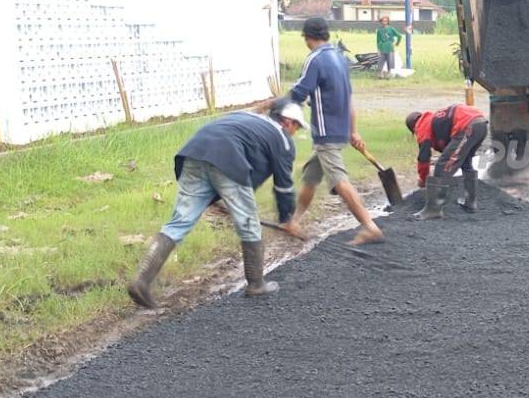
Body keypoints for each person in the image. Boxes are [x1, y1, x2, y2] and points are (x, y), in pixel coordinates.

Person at [127, 97, 304, 308]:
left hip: (192, 153)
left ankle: (141, 280)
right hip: (227, 158)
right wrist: (287, 218)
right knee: (249, 224)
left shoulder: (246, 117)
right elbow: (283, 186)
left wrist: (214, 199)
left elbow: (240, 166)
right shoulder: (282, 138)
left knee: (179, 223)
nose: (295, 132)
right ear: (288, 122)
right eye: (297, 126)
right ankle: (256, 284)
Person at [279, 17, 385, 246]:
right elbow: (349, 99)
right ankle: (293, 221)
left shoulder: (315, 59)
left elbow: (299, 93)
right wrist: (353, 131)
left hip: (327, 133)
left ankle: (369, 226)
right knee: (310, 176)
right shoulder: (339, 58)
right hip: (337, 131)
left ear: (307, 38)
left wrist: (272, 104)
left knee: (339, 180)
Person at [405, 103, 489, 217]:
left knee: (442, 165)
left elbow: (424, 158)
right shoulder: (433, 120)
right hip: (481, 124)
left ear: (413, 128)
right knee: (465, 162)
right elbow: (447, 146)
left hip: (467, 126)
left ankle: (433, 209)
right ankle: (470, 203)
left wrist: (423, 179)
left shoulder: (421, 126)